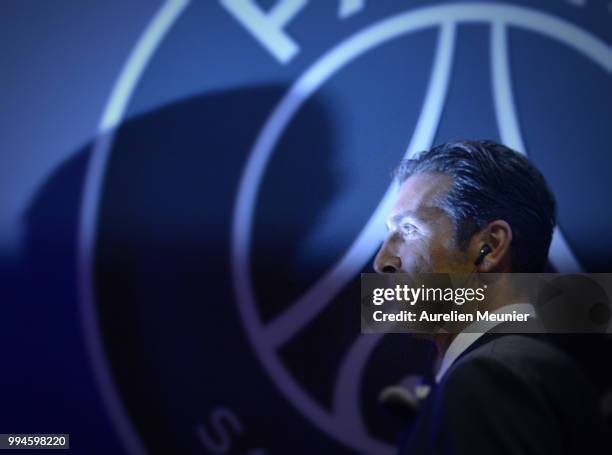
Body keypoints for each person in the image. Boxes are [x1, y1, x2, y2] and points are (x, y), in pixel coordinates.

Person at [373, 140, 610, 454]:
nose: (381, 261)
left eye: (409, 229)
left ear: (490, 246)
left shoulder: (489, 378)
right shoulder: (527, 366)